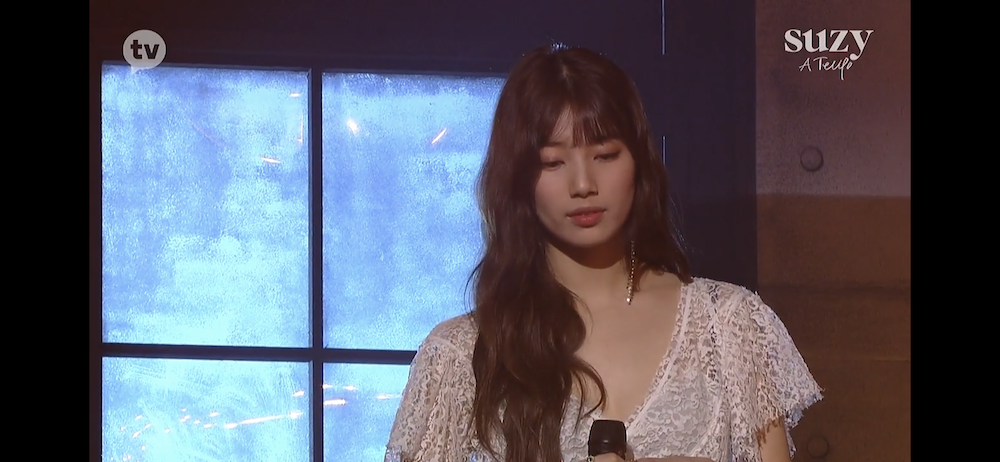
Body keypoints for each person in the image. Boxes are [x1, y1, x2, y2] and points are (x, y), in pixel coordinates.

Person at [383, 44, 822, 462]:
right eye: (553, 162)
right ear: (516, 179)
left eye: (606, 155)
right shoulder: (461, 355)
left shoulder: (730, 326)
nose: (583, 185)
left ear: (639, 161)